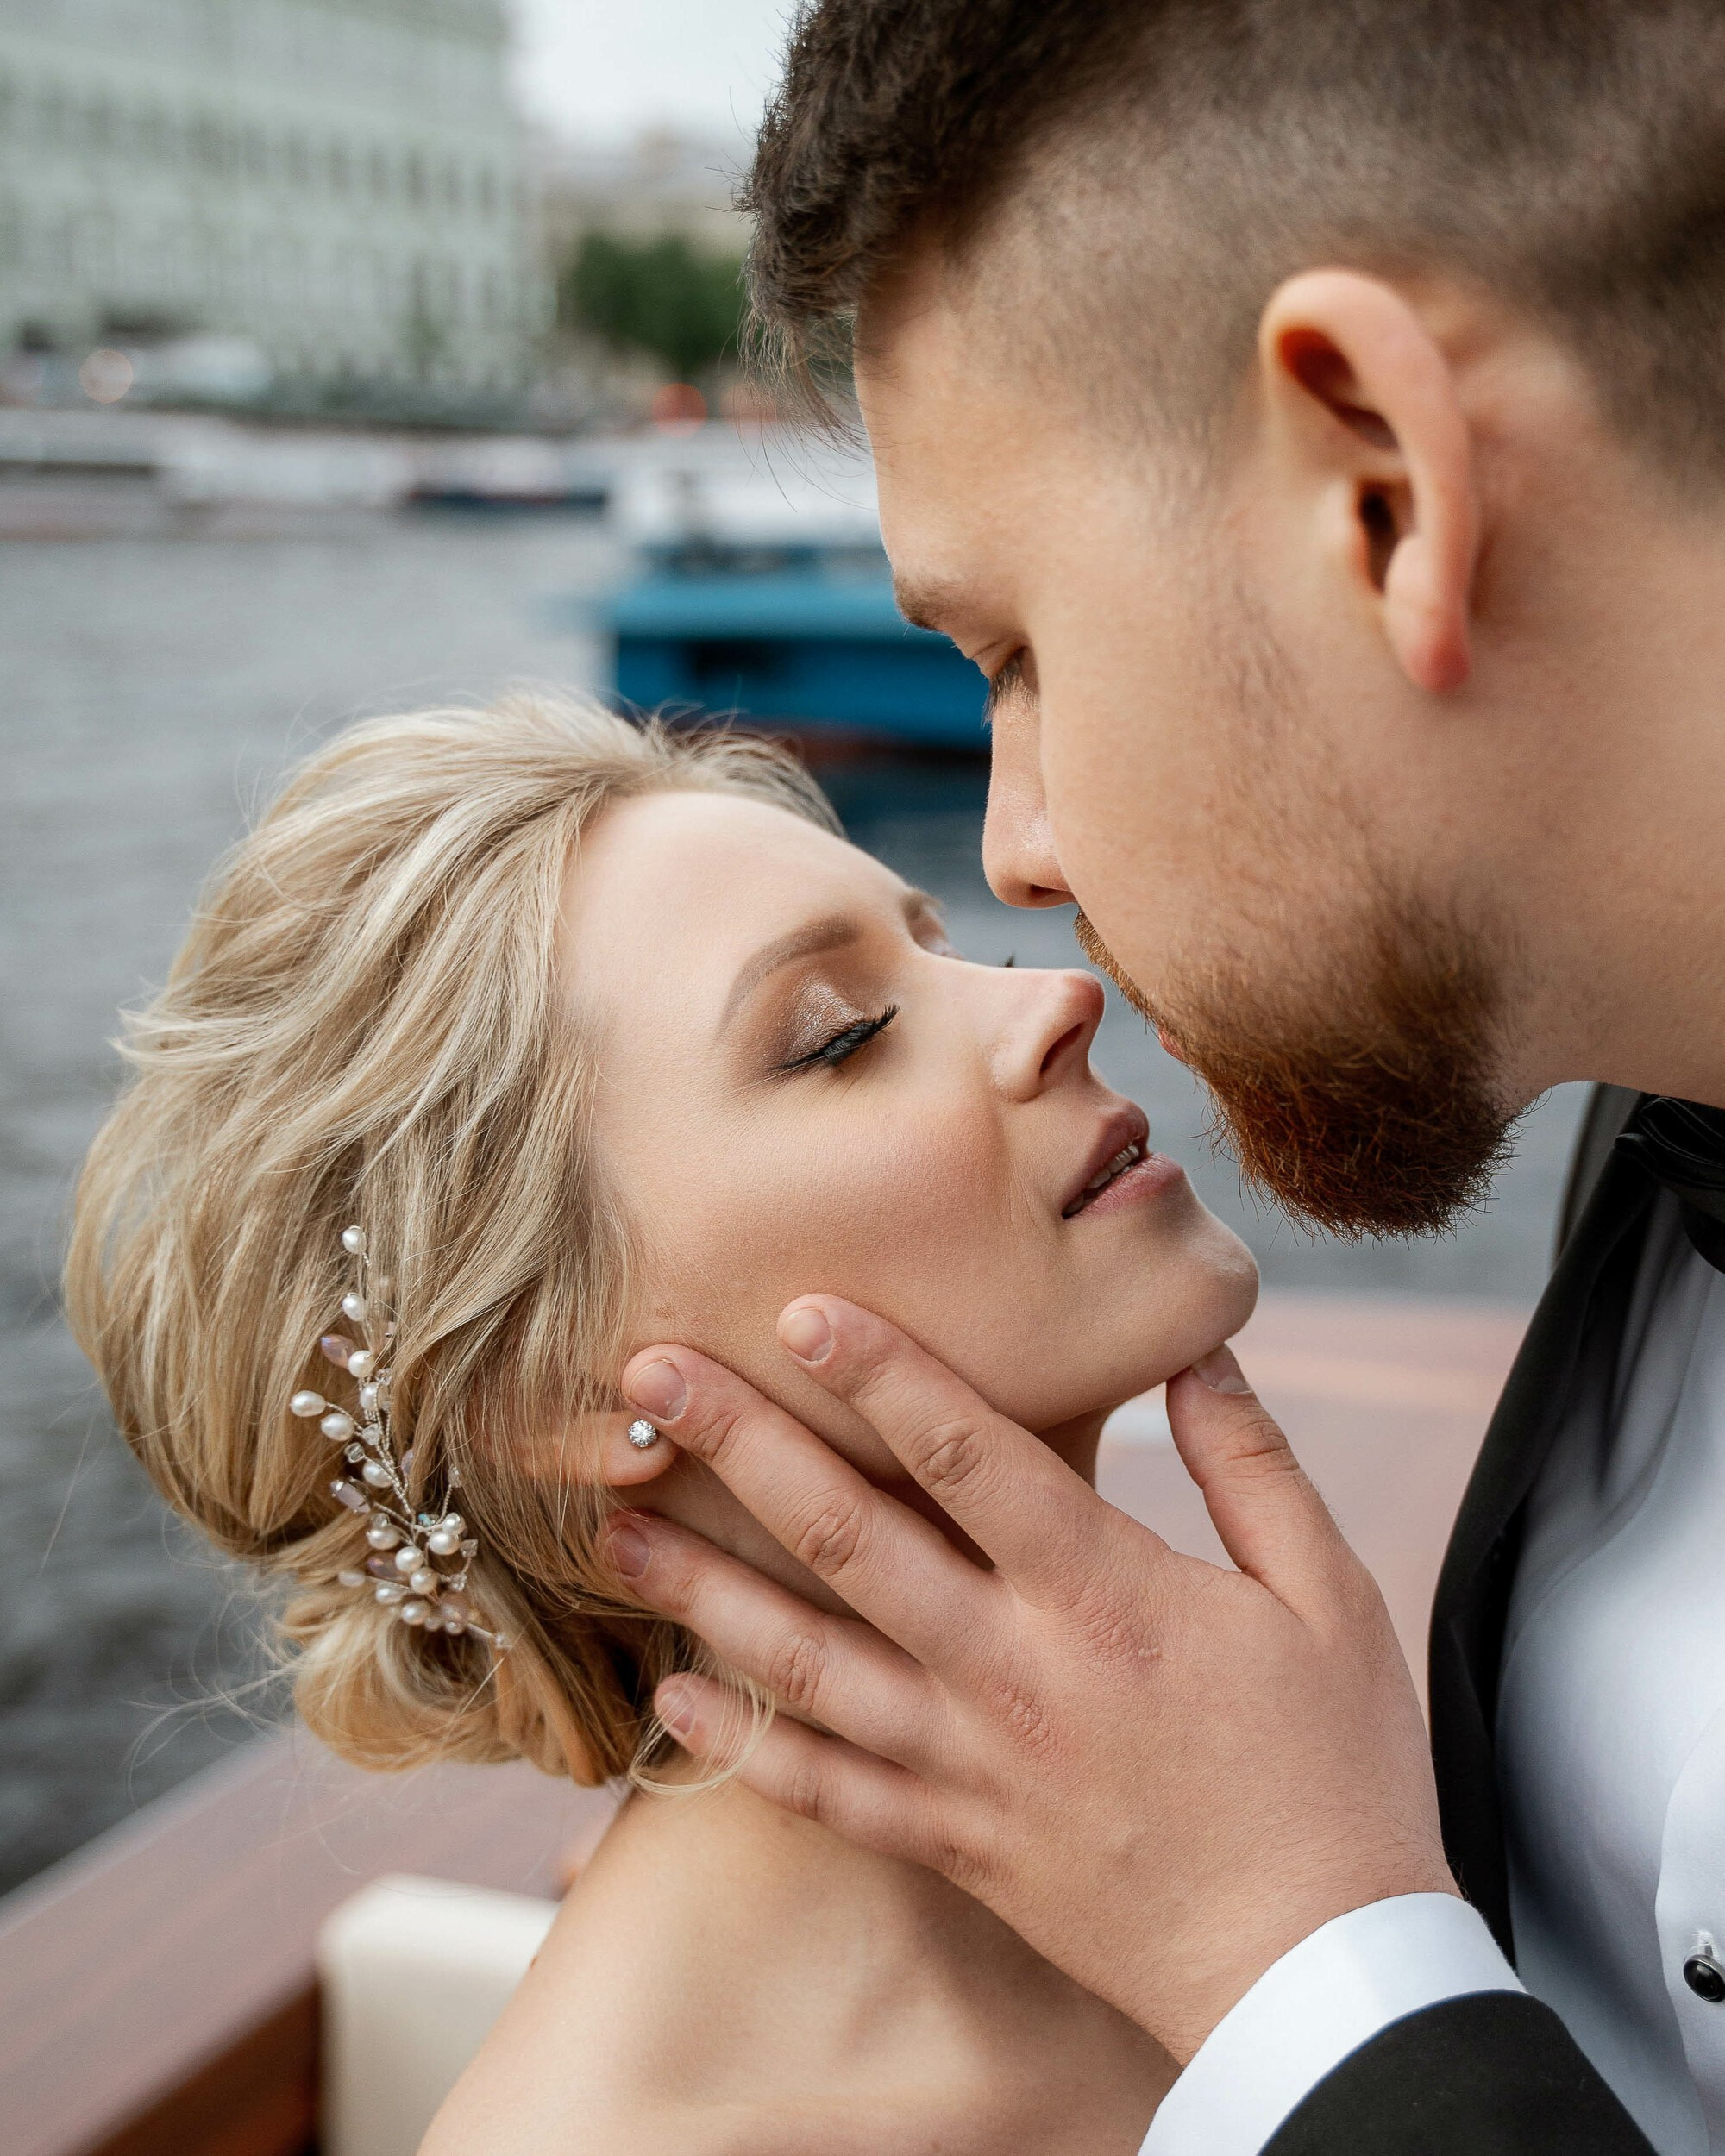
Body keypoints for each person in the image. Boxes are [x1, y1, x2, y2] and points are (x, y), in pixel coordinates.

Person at [588, 3, 1725, 2152]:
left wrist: (1302, 1960)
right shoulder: (1632, 1111)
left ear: (1382, 483)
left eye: (1014, 647)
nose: (1015, 852)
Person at [65, 693, 1258, 2150]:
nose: (1052, 997)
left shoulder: (1289, 1807)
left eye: (945, 947)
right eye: (842, 1036)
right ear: (547, 1393)